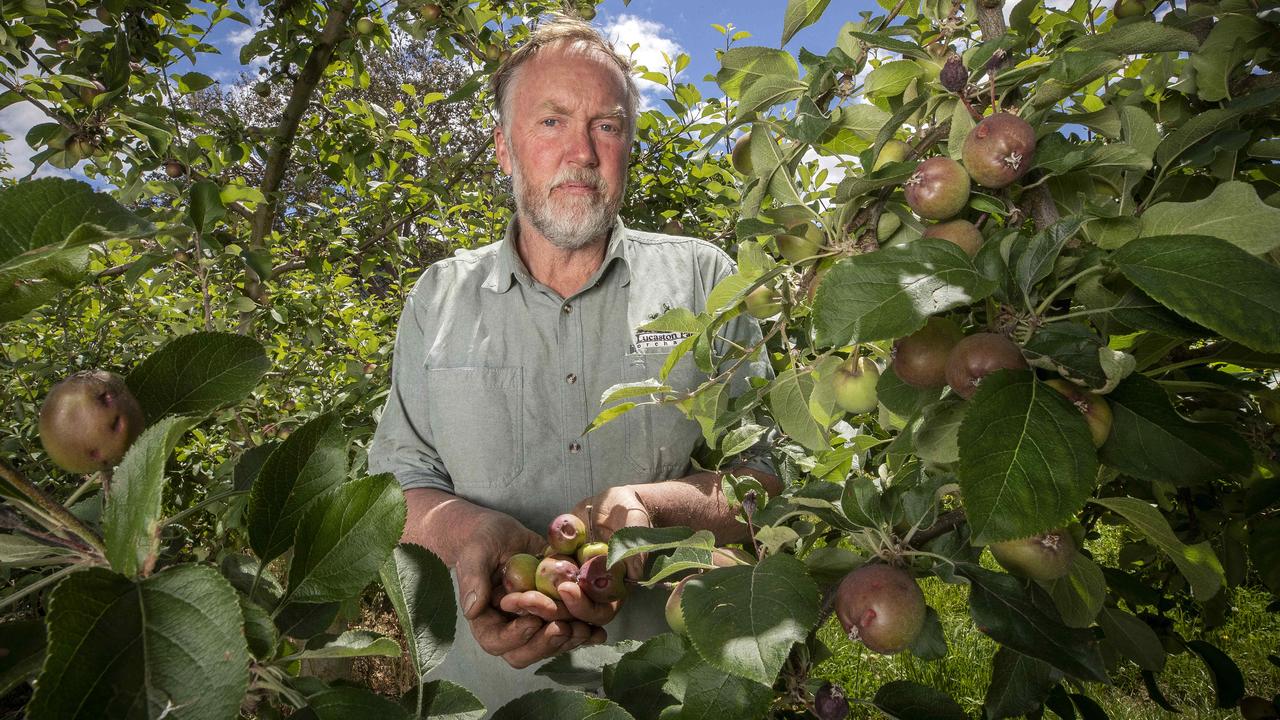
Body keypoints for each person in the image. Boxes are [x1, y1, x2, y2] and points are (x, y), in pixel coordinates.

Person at [367, 15, 778, 713]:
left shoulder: (704, 282)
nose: (581, 153)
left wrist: (653, 508)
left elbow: (768, 476)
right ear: (503, 148)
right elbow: (393, 489)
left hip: (671, 695)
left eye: (607, 127)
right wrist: (466, 534)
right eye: (551, 122)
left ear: (628, 149)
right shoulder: (438, 299)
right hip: (484, 700)